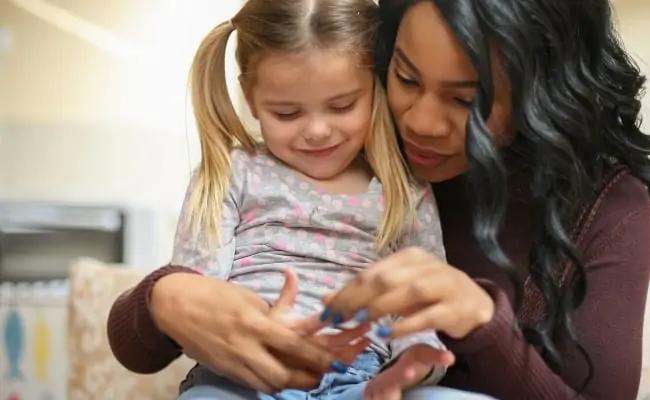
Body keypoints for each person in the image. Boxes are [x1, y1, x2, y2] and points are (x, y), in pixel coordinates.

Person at [108, 0, 650, 399]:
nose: (421, 123)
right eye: (405, 78)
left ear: (542, 96)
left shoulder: (605, 208)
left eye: (467, 101)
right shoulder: (348, 151)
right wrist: (166, 298)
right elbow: (140, 337)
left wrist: (481, 325)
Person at [108, 0, 490, 399]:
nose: (318, 131)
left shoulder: (405, 192)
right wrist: (256, 333)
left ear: (375, 85)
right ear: (251, 98)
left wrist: (414, 368)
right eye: (287, 113)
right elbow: (198, 296)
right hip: (244, 376)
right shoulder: (231, 174)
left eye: (342, 106)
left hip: (363, 382)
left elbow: (417, 314)